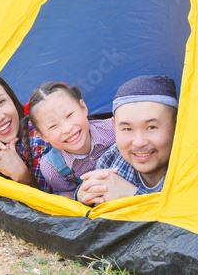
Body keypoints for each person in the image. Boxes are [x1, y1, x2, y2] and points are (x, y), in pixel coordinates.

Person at [76, 75, 178, 205]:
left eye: (151, 127)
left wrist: (133, 196)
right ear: (114, 126)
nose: (139, 142)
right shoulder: (111, 160)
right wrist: (83, 197)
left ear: (176, 124)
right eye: (127, 129)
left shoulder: (194, 167)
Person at [25, 82, 115, 199]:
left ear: (83, 108)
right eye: (53, 126)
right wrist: (78, 196)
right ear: (43, 136)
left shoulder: (114, 129)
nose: (67, 129)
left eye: (69, 115)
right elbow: (65, 194)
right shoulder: (52, 167)